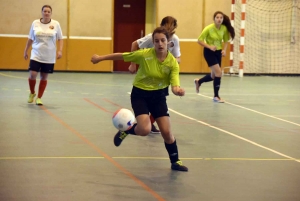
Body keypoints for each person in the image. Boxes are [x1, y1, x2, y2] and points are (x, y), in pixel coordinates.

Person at [91, 27, 188, 172]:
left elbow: (174, 85)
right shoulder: (144, 55)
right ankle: (127, 131)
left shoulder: (172, 63)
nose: (160, 44)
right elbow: (122, 56)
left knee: (167, 133)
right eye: (156, 41)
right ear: (153, 43)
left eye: (163, 40)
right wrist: (100, 58)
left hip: (159, 97)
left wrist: (178, 91)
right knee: (144, 130)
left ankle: (175, 162)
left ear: (169, 42)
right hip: (140, 95)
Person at [129, 16, 180, 134]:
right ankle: (145, 124)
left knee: (158, 101)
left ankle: (148, 124)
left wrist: (174, 62)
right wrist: (133, 64)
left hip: (164, 75)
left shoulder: (175, 39)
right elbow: (134, 44)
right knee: (151, 100)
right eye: (169, 24)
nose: (171, 27)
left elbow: (178, 56)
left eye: (173, 25)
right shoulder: (152, 37)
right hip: (149, 73)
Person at [24, 5, 63, 105]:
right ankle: (32, 93)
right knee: (32, 74)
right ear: (42, 12)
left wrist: (60, 51)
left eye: (48, 11)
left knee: (44, 77)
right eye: (45, 11)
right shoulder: (35, 23)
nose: (46, 13)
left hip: (49, 56)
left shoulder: (56, 24)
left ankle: (39, 98)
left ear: (51, 13)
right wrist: (26, 51)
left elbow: (60, 38)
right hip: (36, 54)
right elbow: (30, 38)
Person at [194, 11, 235, 103]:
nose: (219, 19)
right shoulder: (208, 28)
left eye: (221, 18)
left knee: (213, 76)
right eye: (217, 17)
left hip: (218, 52)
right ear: (214, 19)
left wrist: (224, 50)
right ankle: (216, 96)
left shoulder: (223, 28)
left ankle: (199, 82)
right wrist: (209, 47)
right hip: (209, 52)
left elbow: (226, 40)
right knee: (219, 73)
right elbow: (199, 40)